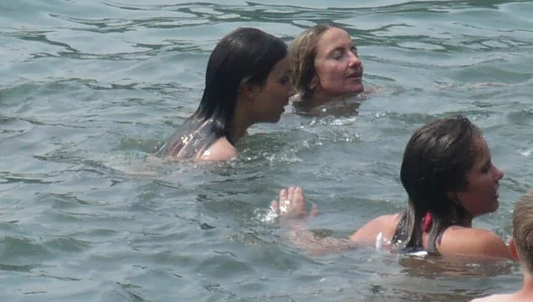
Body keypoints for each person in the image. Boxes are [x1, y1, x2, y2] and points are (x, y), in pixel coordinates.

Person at [272, 114, 514, 259]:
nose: (499, 174)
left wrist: (294, 225)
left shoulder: (386, 228)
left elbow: (317, 250)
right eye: (485, 169)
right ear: (451, 191)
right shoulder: (482, 244)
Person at [165, 28, 293, 162]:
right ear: (249, 89)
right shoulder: (220, 155)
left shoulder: (194, 130)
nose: (292, 90)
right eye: (284, 81)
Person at [288, 23, 365, 109]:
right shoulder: (285, 112)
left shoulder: (373, 96)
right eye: (337, 56)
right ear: (311, 78)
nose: (356, 61)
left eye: (354, 53)